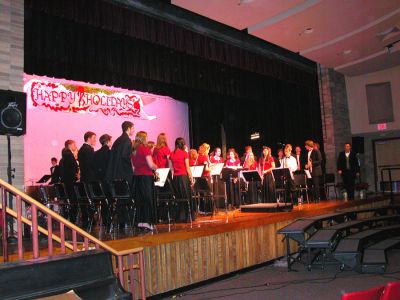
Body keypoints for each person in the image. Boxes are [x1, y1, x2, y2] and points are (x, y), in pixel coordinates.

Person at [131, 131, 158, 230]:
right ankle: (147, 222)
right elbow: (151, 165)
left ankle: (140, 222)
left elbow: (133, 167)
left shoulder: (134, 149)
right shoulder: (145, 149)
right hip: (146, 177)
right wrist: (156, 167)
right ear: (144, 138)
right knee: (148, 199)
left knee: (140, 200)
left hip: (137, 177)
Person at [169, 137, 195, 222]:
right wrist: (191, 178)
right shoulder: (184, 153)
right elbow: (187, 168)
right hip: (183, 178)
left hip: (175, 178)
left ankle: (180, 217)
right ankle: (188, 217)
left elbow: (171, 168)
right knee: (187, 197)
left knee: (178, 198)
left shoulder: (171, 154)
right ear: (182, 144)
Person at [106, 121, 135, 187]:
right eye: (133, 128)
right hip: (123, 174)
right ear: (128, 129)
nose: (134, 130)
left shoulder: (117, 140)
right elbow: (125, 157)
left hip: (115, 173)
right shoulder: (127, 140)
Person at [60, 140, 79, 224]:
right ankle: (73, 219)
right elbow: (75, 167)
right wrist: (77, 174)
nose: (75, 146)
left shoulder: (63, 157)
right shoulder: (69, 155)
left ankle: (68, 218)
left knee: (69, 200)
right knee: (73, 201)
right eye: (74, 144)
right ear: (70, 145)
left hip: (66, 181)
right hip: (71, 181)